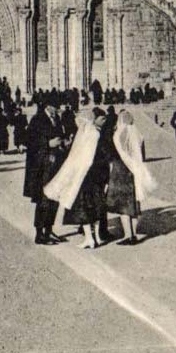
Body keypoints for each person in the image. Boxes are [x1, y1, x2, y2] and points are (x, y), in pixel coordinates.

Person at [44, 107, 111, 249]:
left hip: (85, 175)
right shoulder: (94, 132)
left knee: (84, 207)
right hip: (94, 174)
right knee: (96, 206)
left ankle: (89, 239)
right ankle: (97, 237)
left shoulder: (88, 133)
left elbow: (82, 157)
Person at [107, 110, 156, 243]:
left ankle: (128, 235)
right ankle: (133, 234)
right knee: (134, 204)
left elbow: (115, 153)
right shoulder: (137, 133)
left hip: (121, 170)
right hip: (135, 170)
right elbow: (141, 155)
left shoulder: (118, 133)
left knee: (123, 206)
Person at [23, 103, 66, 244]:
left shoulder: (57, 119)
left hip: (55, 165)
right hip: (41, 168)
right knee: (43, 200)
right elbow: (29, 140)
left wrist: (63, 142)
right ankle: (39, 234)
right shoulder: (37, 119)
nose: (57, 109)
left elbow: (60, 135)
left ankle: (49, 230)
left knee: (54, 198)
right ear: (48, 106)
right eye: (55, 106)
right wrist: (47, 143)